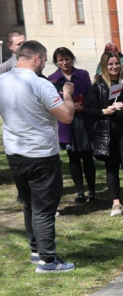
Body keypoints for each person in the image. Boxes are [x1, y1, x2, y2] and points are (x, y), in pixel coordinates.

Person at [0, 40, 77, 271]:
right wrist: (67, 94)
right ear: (37, 58)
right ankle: (48, 260)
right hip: (41, 154)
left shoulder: (2, 81)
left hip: (15, 152)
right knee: (43, 208)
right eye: (44, 60)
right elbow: (66, 117)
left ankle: (36, 250)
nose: (44, 64)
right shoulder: (39, 84)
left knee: (29, 203)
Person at [85, 51, 123, 218]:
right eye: (110, 64)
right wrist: (104, 111)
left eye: (116, 63)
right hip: (107, 132)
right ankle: (116, 203)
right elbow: (88, 109)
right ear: (104, 66)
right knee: (111, 169)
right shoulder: (98, 84)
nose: (114, 67)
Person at [48, 48, 97, 204]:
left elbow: (90, 95)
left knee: (88, 157)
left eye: (67, 59)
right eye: (61, 60)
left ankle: (93, 191)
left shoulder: (82, 74)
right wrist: (68, 106)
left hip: (84, 120)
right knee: (73, 157)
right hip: (67, 122)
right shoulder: (53, 79)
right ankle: (80, 191)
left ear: (72, 59)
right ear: (56, 62)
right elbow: (53, 100)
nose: (64, 63)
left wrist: (83, 106)